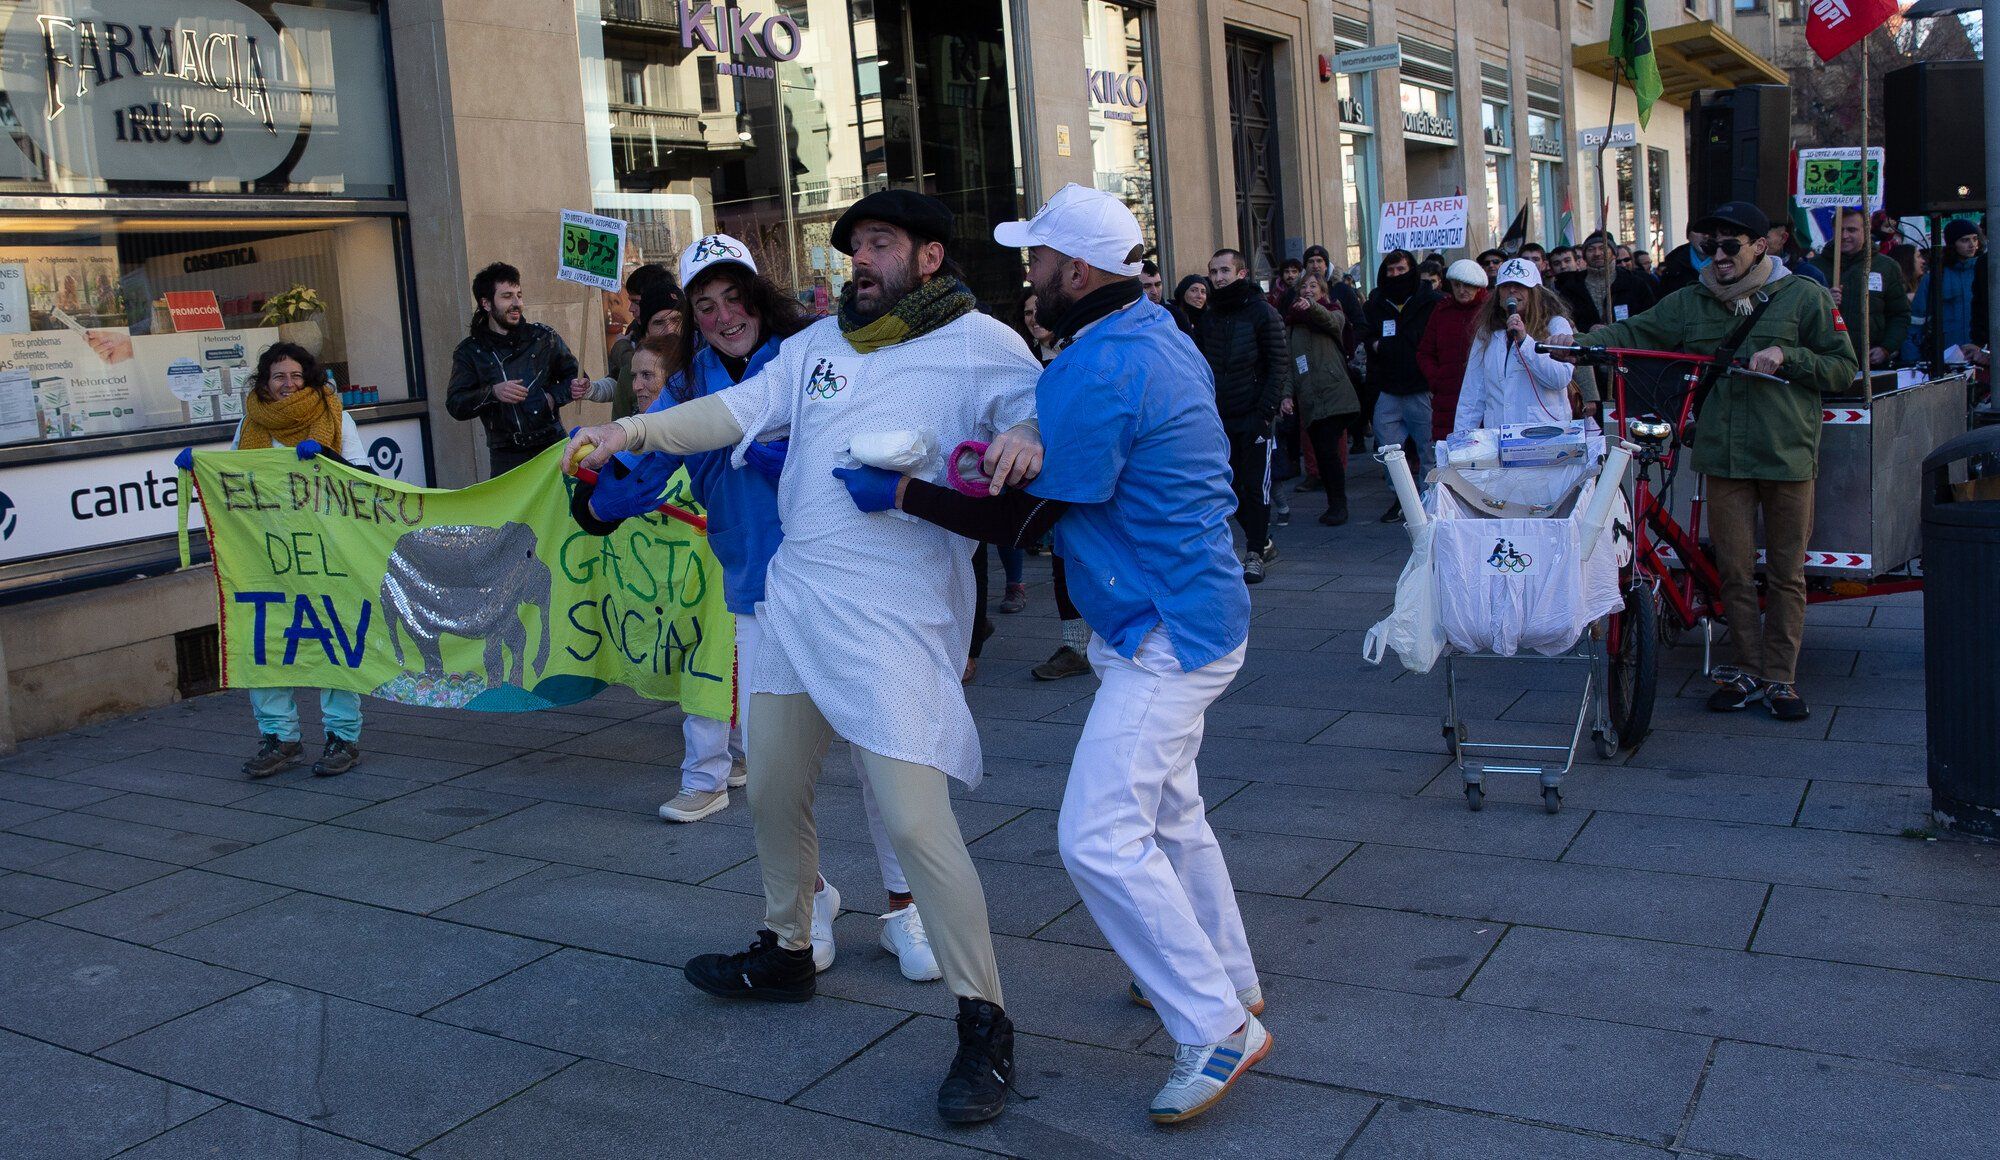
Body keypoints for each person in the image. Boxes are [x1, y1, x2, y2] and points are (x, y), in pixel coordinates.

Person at [564, 189, 1042, 1125]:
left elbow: (1038, 414)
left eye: (879, 244)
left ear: (929, 258)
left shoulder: (984, 342)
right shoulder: (820, 346)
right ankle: (786, 950)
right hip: (794, 600)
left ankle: (985, 1018)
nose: (859, 260)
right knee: (775, 787)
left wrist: (1026, 431)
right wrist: (631, 431)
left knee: (913, 821)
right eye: (853, 246)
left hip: (895, 615)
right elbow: (733, 410)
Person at [838, 184, 1270, 1123]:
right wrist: (1031, 429)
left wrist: (901, 494)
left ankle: (1217, 1023)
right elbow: (1072, 452)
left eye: (1036, 261)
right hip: (1183, 614)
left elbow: (1022, 518)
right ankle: (1229, 976)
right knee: (1171, 813)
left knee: (1098, 836)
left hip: (1168, 631)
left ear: (1076, 270)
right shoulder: (1140, 336)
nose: (1027, 277)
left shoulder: (1100, 362)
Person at [573, 239, 942, 983]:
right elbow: (642, 468)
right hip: (760, 596)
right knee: (774, 773)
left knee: (882, 755)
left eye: (733, 297)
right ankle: (807, 906)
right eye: (703, 306)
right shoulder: (686, 388)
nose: (722, 316)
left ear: (757, 295)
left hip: (849, 587)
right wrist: (595, 496)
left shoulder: (817, 355)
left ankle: (907, 907)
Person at [1555, 201, 1856, 722]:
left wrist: (1791, 356)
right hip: (1723, 455)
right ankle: (1745, 667)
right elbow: (1634, 333)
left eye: (1729, 246)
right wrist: (1573, 344)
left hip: (1787, 455)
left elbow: (1843, 369)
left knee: (1786, 573)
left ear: (1761, 246)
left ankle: (1780, 678)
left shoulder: (1802, 296)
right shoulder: (1692, 301)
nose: (1717, 256)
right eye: (1707, 246)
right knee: (1734, 572)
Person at [233, 342, 369, 779]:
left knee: (334, 638)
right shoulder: (249, 425)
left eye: (295, 375)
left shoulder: (335, 418)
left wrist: (327, 459)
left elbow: (366, 480)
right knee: (268, 639)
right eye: (278, 376)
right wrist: (199, 468)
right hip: (268, 551)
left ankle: (342, 737)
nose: (287, 384)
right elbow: (234, 480)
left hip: (327, 550)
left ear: (308, 378)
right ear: (265, 383)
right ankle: (280, 735)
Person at [1195, 248, 1292, 582]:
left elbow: (1278, 363)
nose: (1219, 277)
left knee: (1255, 486)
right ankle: (1263, 540)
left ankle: (1254, 551)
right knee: (1228, 487)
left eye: (1225, 270)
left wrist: (1265, 412)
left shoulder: (1262, 312)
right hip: (1220, 416)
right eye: (1214, 271)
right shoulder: (1209, 317)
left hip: (1254, 415)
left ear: (1241, 273)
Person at [446, 262, 593, 476]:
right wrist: (493, 392)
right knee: (514, 511)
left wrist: (552, 397)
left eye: (519, 295)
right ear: (486, 303)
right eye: (507, 296)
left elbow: (577, 377)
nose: (517, 303)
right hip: (506, 456)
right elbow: (455, 404)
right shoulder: (470, 351)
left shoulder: (543, 338)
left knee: (564, 507)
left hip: (551, 445)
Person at [1451, 258, 1577, 431]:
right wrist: (1461, 439)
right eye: (1505, 286)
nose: (1512, 290)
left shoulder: (1555, 325)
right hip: (1500, 434)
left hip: (1544, 435)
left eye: (1520, 285)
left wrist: (1525, 342)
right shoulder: (1487, 332)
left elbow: (1559, 379)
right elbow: (1472, 393)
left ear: (1535, 291)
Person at [1363, 248, 1441, 522]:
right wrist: (1377, 345)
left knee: (1428, 450)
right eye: (1390, 270)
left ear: (1412, 271)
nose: (1395, 275)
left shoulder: (1431, 301)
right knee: (1388, 451)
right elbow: (1366, 334)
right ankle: (1402, 500)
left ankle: (1430, 502)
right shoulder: (1376, 303)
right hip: (1389, 388)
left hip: (1421, 388)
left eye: (1401, 270)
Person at [1283, 270, 1360, 525]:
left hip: (1335, 394)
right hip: (1310, 399)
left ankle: (1339, 505)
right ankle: (1334, 503)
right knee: (1322, 453)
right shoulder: (1293, 326)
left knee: (1328, 451)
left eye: (1314, 286)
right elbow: (1289, 366)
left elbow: (1329, 320)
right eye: (1304, 287)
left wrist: (1312, 307)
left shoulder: (1334, 311)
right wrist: (1286, 396)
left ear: (1323, 292)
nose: (1308, 290)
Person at [1812, 208, 1910, 372]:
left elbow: (1900, 314)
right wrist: (1822, 301)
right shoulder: (1815, 268)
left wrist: (1886, 348)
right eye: (1839, 230)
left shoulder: (1886, 267)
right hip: (1824, 363)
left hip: (1870, 365)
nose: (1844, 236)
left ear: (1866, 230)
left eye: (1851, 230)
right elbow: (1798, 314)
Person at [1416, 259, 1489, 444]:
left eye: (1468, 286)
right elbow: (1425, 352)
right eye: (1457, 285)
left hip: (1484, 394)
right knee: (1449, 451)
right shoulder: (1441, 311)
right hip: (1448, 395)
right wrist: (1437, 379)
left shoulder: (1490, 311)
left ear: (1478, 287)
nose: (1462, 290)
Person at [1909, 220, 1983, 364]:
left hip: (1981, 356)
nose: (1972, 245)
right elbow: (1916, 323)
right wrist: (1912, 361)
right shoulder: (1935, 277)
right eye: (1964, 240)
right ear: (1952, 244)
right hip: (1945, 357)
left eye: (1975, 239)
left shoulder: (1985, 273)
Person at [1560, 230, 1656, 332]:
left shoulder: (1634, 284)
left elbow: (1648, 317)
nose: (1597, 254)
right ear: (1584, 256)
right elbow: (1565, 320)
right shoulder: (1572, 287)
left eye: (1603, 248)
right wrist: (1588, 328)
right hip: (1587, 343)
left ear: (1614, 254)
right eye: (1591, 250)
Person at [1766, 222, 1827, 288]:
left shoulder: (1809, 275)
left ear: (1783, 238)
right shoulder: (1754, 271)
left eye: (1765, 237)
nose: (1758, 243)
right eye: (1754, 237)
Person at [1656, 223, 1709, 297]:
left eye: (1710, 230)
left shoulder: (1727, 263)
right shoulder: (1673, 265)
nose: (1706, 236)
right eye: (1699, 230)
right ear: (1688, 236)